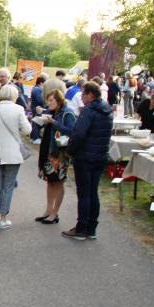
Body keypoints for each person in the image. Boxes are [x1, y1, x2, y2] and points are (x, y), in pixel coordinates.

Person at [63, 82, 113, 240]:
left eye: (83, 94)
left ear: (91, 94)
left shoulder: (89, 112)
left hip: (85, 157)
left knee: (84, 193)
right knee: (93, 192)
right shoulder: (107, 110)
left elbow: (78, 134)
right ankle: (91, 228)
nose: (82, 97)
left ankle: (81, 228)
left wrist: (70, 150)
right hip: (100, 155)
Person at [0, 83, 32, 229]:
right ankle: (3, 218)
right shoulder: (18, 109)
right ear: (14, 96)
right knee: (8, 186)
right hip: (12, 153)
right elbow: (27, 130)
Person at [35, 89, 77, 224]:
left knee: (58, 182)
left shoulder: (67, 112)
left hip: (60, 153)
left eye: (51, 100)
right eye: (48, 100)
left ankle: (55, 213)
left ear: (58, 100)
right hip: (49, 150)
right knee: (50, 180)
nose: (48, 103)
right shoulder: (54, 111)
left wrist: (54, 123)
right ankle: (48, 210)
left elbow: (72, 131)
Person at [29, 74, 48, 145]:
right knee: (36, 123)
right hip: (37, 108)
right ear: (41, 83)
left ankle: (32, 137)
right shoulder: (37, 89)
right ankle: (35, 138)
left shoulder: (35, 88)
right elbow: (40, 100)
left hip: (35, 107)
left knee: (35, 122)